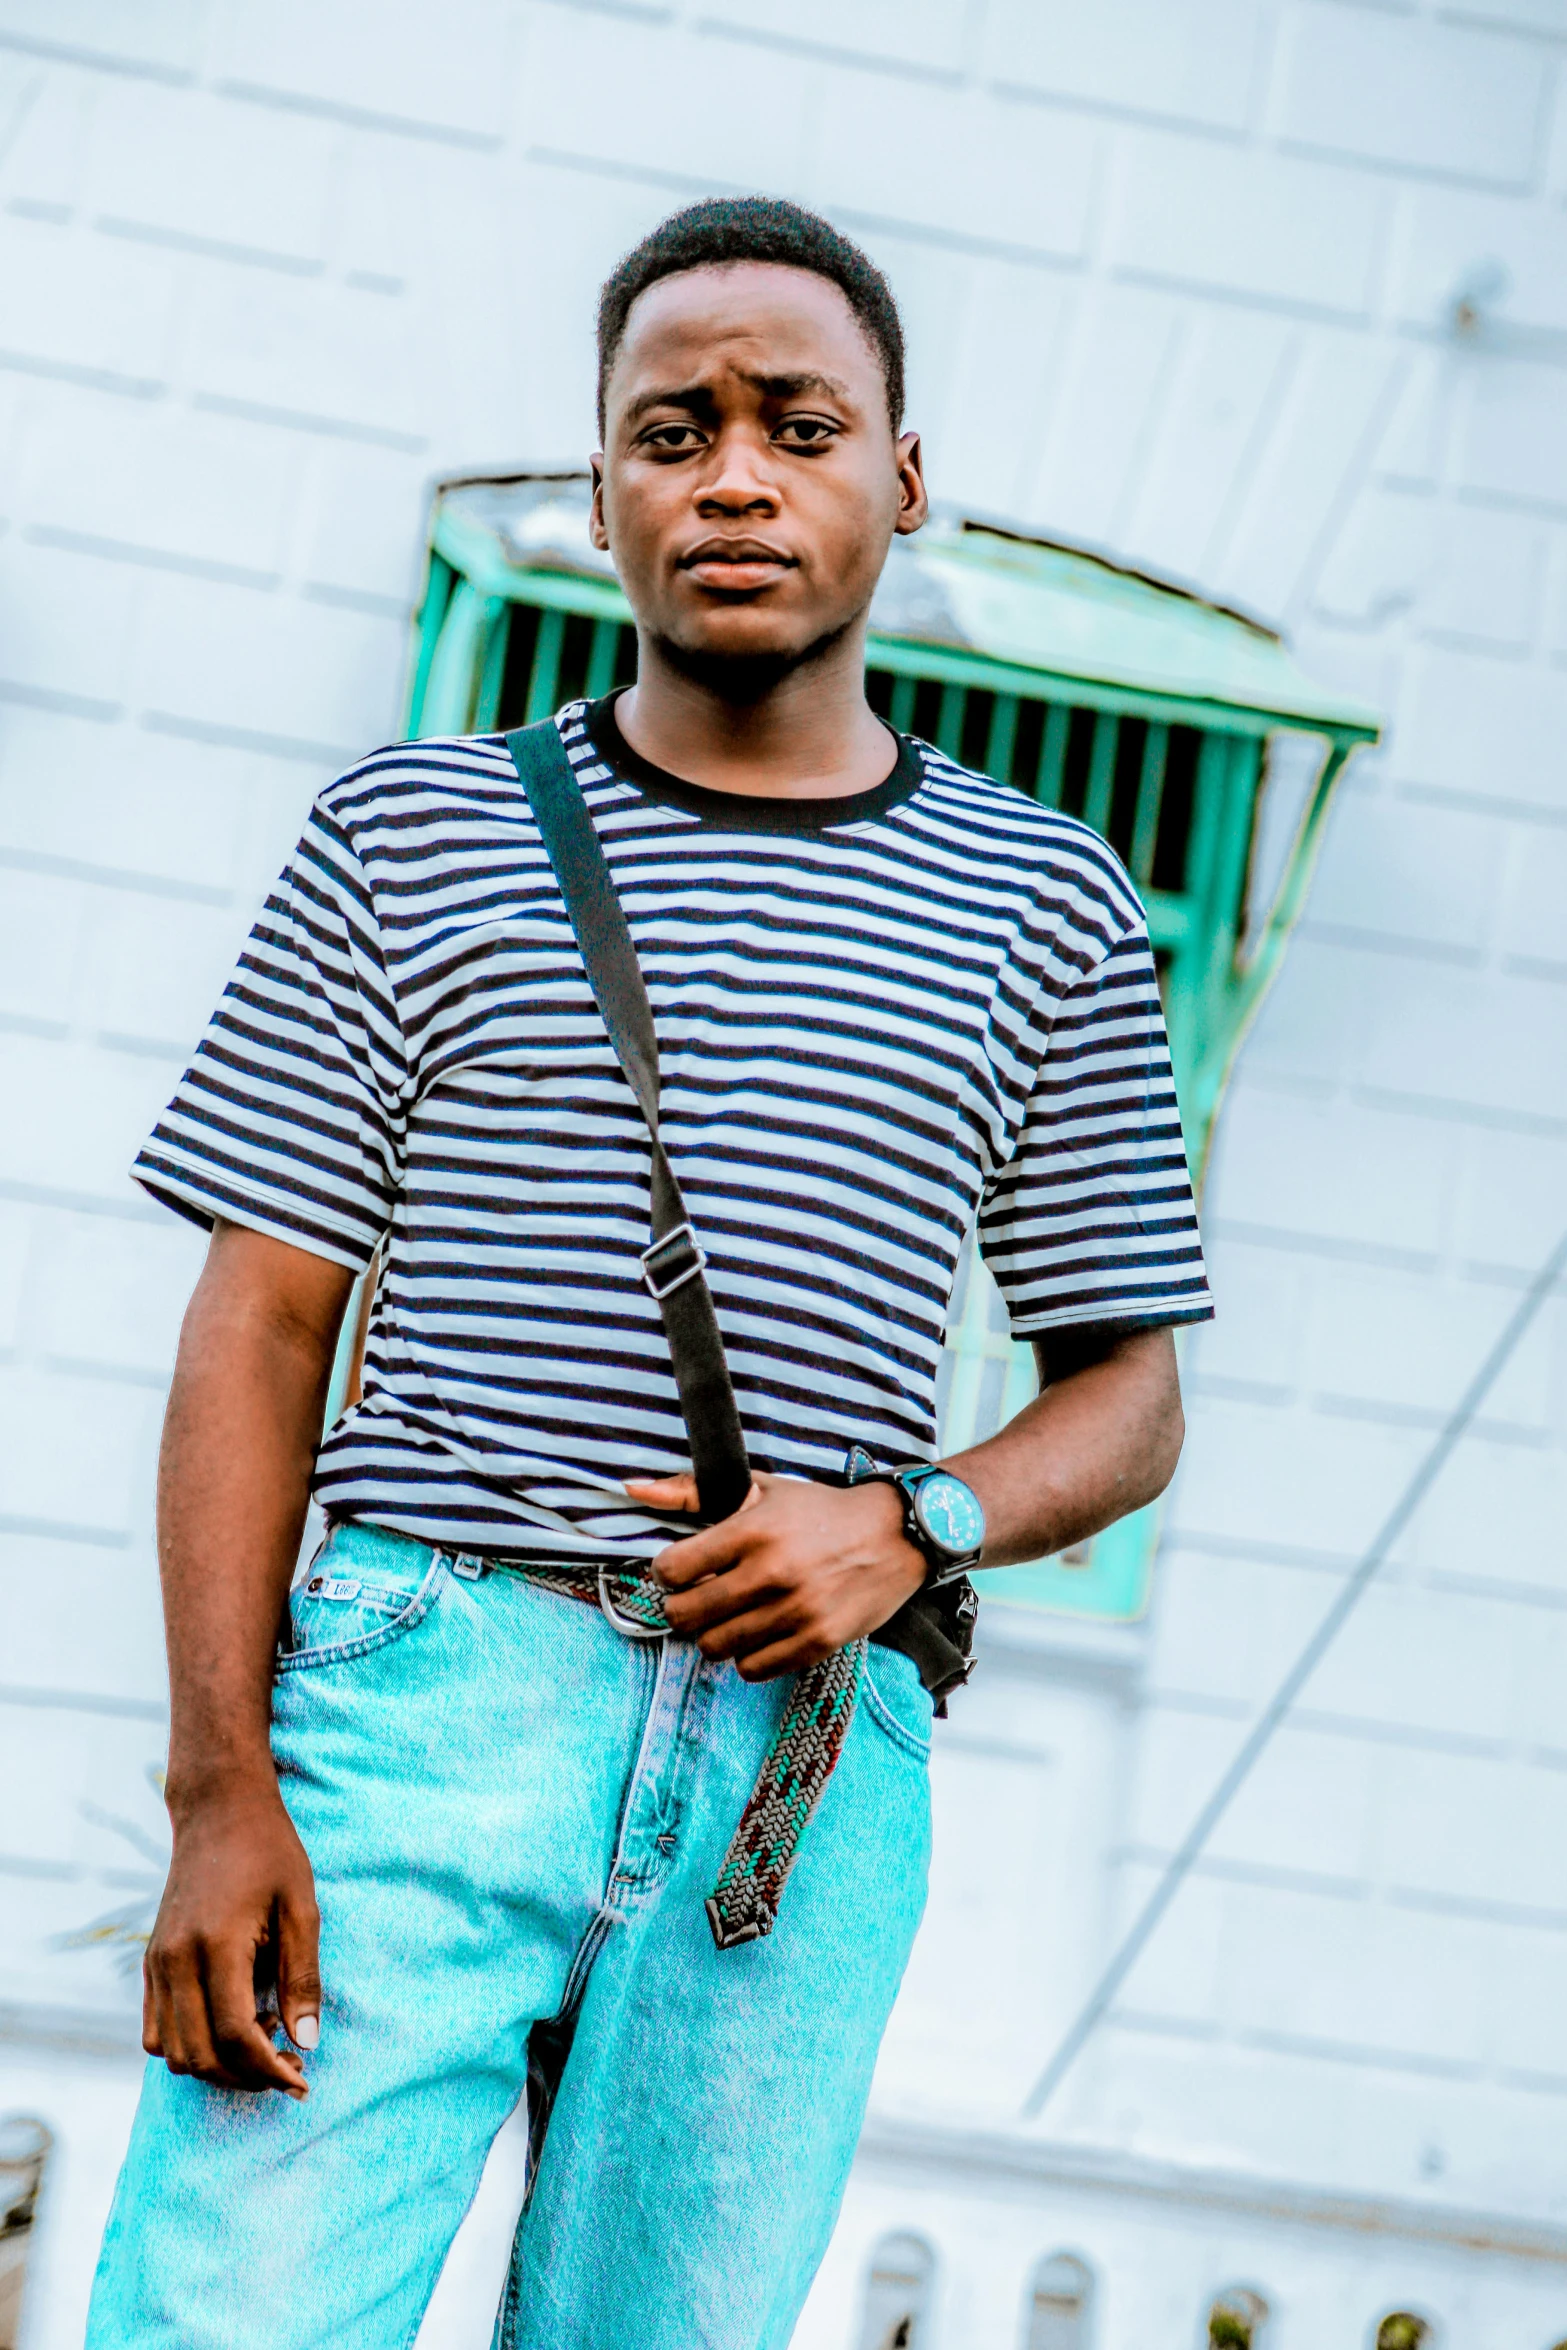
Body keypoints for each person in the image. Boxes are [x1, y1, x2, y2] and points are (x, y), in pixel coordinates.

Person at [87, 196, 1211, 2349]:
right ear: (600, 485)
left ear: (902, 474)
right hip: (424, 1693)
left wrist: (912, 1523)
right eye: (670, 429)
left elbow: (1131, 1392)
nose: (734, 474)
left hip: (797, 1772)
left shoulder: (1047, 902)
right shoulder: (406, 836)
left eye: (800, 424)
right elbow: (256, 1328)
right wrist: (221, 1783)